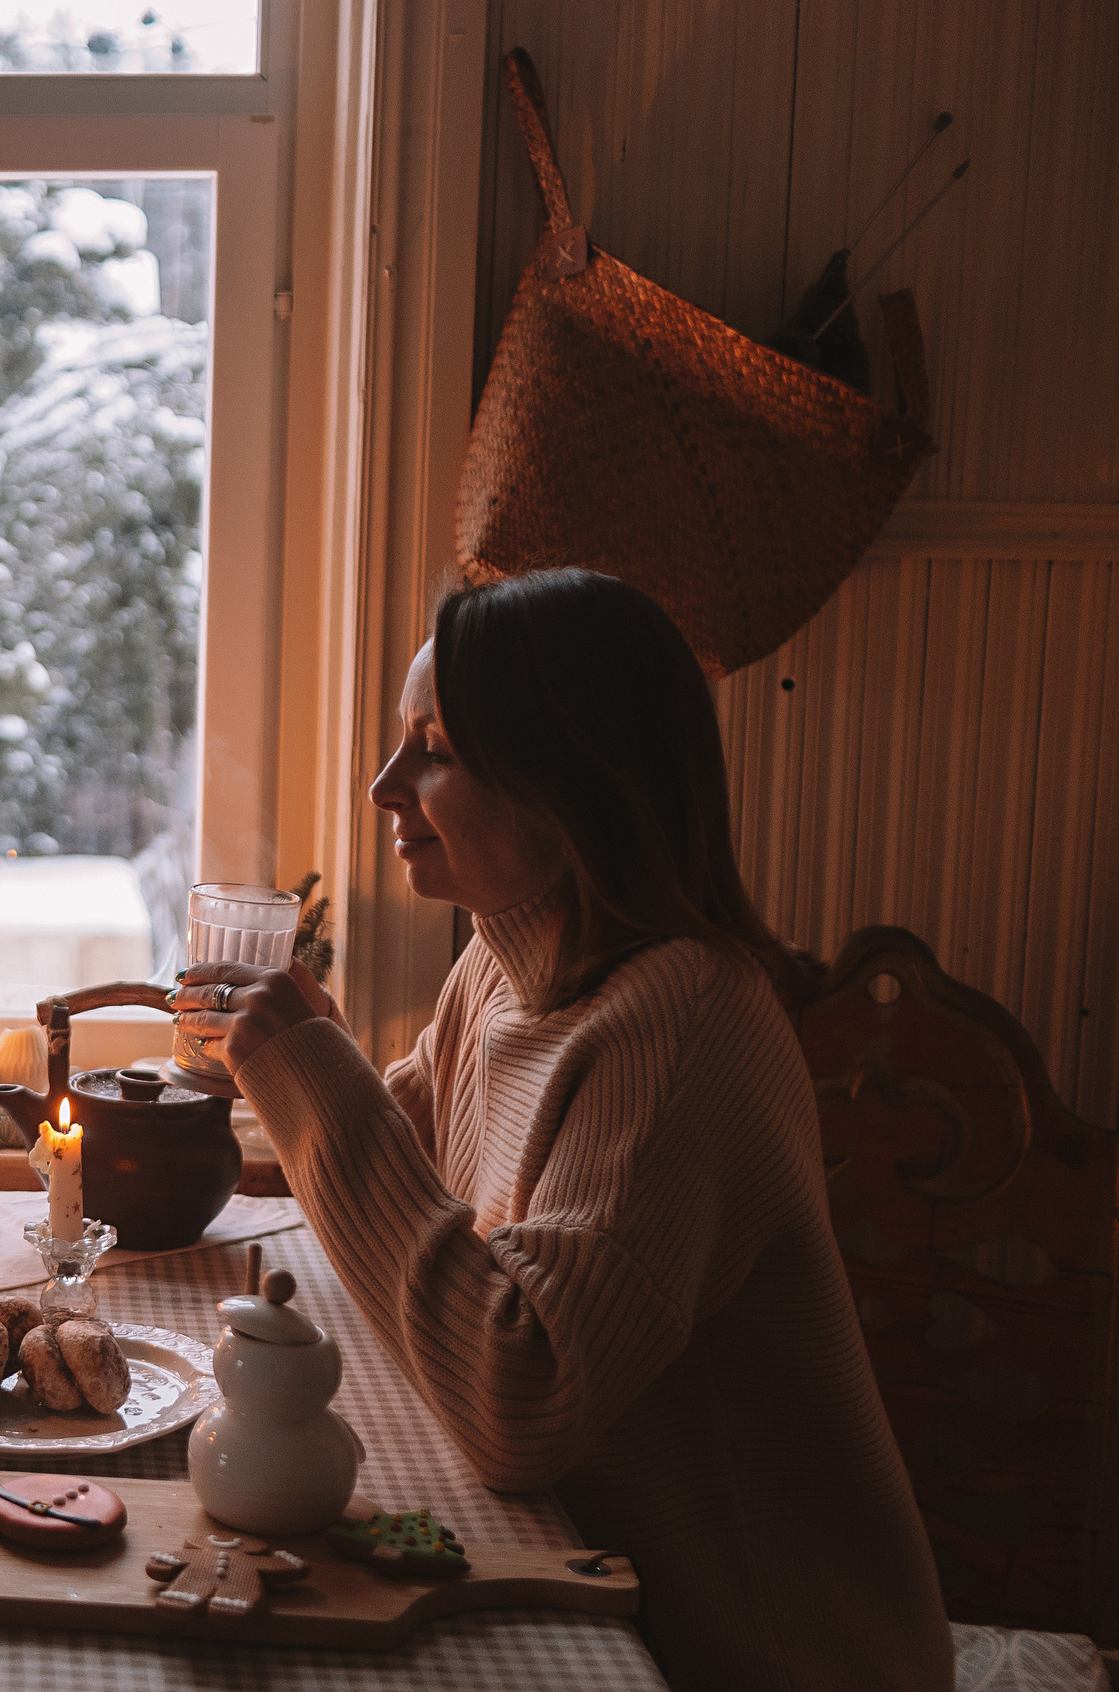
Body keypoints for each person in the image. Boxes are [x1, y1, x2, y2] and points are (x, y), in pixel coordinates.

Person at [169, 569, 951, 1691]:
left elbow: (517, 1396)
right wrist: (286, 1072)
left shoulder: (681, 1023)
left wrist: (311, 1073)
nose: (385, 785)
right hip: (592, 1578)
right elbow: (411, 1182)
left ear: (569, 783)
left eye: (432, 749)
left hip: (749, 1653)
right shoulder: (500, 962)